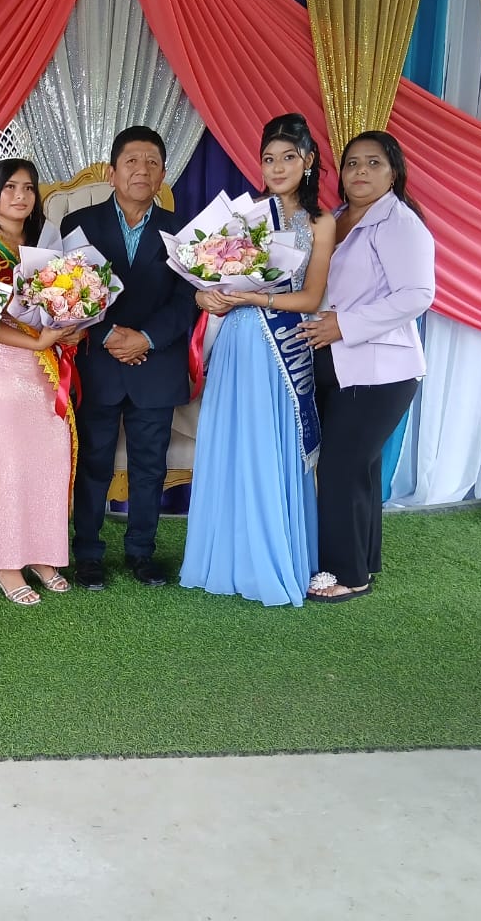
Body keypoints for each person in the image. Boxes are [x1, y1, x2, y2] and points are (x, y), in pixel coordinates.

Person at [179, 113, 335, 607]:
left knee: (273, 447)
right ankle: (226, 559)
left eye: (289, 157)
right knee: (234, 444)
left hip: (283, 345)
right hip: (237, 342)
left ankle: (274, 559)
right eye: (269, 159)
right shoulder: (244, 218)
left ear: (308, 161)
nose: (278, 167)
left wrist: (253, 298)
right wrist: (205, 296)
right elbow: (208, 281)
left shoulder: (320, 222)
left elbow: (311, 297)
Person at [59, 126, 200, 590]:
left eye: (152, 163)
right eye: (132, 161)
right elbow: (66, 290)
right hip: (99, 362)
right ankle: (88, 553)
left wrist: (146, 339)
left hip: (156, 362)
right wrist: (108, 336)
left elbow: (187, 299)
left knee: (150, 466)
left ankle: (142, 551)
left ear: (162, 174)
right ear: (112, 171)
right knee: (93, 462)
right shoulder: (79, 223)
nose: (142, 170)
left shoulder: (184, 231)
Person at [299, 130, 435, 602]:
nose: (361, 171)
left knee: (342, 467)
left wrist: (345, 324)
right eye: (353, 163)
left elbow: (418, 295)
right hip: (338, 365)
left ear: (393, 172)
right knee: (359, 469)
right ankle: (364, 559)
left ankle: (348, 574)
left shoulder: (400, 223)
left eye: (374, 163)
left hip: (381, 371)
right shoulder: (336, 218)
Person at [0, 158, 77, 605]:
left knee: (47, 459)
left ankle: (43, 554)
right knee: (5, 464)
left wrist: (72, 326)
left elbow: (67, 303)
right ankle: (5, 563)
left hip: (43, 366)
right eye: (10, 187)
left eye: (28, 188)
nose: (20, 196)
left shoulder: (45, 247)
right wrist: (39, 341)